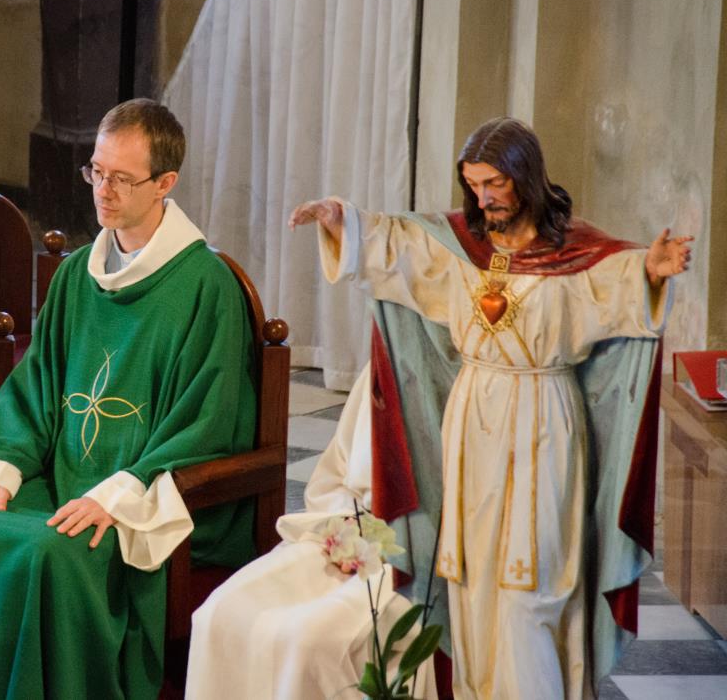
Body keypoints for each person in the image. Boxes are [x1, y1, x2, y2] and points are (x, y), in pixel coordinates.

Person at [287, 116, 692, 699]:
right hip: (472, 420)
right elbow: (396, 245)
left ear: (525, 177)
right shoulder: (462, 250)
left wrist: (650, 271)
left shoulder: (574, 254)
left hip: (543, 420)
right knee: (473, 577)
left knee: (537, 581)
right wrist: (340, 219)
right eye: (474, 185)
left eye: (495, 184)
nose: (483, 199)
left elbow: (619, 283)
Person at [0, 98, 257, 699]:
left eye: (122, 178)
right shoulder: (76, 276)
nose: (103, 191)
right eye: (97, 171)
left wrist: (118, 497)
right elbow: (36, 389)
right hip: (61, 477)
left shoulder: (206, 286)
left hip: (144, 499)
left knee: (51, 553)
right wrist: (1, 466)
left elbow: (208, 420)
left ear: (165, 183)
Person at [186, 364, 438, 699]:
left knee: (306, 640)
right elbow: (331, 478)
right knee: (217, 614)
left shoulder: (469, 379)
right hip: (344, 534)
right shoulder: (382, 363)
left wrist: (386, 542)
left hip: (415, 560)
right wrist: (349, 530)